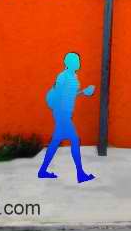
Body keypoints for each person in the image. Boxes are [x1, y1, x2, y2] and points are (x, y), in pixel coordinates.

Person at [38, 52, 96, 183]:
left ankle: (42, 171)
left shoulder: (73, 76)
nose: (78, 63)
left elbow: (70, 94)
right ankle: (80, 174)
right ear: (68, 63)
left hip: (64, 113)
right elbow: (58, 93)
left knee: (55, 142)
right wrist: (61, 112)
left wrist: (84, 92)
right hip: (62, 113)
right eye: (76, 61)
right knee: (75, 140)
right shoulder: (63, 76)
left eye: (78, 61)